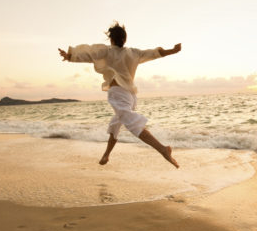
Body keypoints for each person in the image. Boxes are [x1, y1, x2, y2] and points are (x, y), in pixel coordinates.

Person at [58, 22, 181, 168]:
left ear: (111, 39)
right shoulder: (134, 52)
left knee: (131, 122)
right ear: (125, 39)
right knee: (116, 124)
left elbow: (89, 55)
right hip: (131, 96)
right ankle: (106, 155)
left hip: (118, 93)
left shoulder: (108, 52)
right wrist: (172, 51)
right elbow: (153, 53)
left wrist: (70, 56)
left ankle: (162, 149)